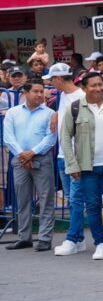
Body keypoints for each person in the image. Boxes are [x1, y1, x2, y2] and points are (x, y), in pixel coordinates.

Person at [60, 72, 103, 261]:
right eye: (93, 85)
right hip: (87, 168)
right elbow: (65, 137)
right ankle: (100, 243)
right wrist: (72, 165)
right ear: (84, 88)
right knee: (92, 206)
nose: (98, 88)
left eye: (100, 84)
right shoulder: (74, 108)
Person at [4, 78, 57, 251]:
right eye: (35, 91)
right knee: (22, 199)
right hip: (19, 160)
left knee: (45, 198)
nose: (40, 94)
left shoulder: (49, 113)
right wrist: (22, 154)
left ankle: (44, 238)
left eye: (42, 91)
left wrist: (32, 153)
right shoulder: (13, 112)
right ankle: (24, 237)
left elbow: (51, 138)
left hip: (41, 159)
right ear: (26, 93)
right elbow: (8, 137)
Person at [49, 63, 92, 256]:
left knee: (75, 199)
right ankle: (79, 240)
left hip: (76, 157)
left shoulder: (82, 97)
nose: (50, 83)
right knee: (71, 199)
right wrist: (56, 115)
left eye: (51, 79)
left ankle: (72, 238)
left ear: (58, 79)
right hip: (62, 155)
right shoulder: (64, 96)